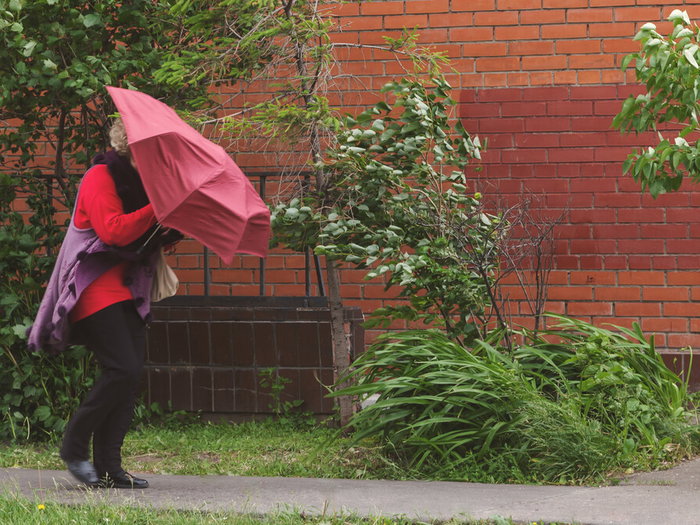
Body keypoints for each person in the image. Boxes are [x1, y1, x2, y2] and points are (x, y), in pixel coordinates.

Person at [28, 118, 180, 489]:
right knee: (122, 369)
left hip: (131, 288)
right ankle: (73, 447)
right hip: (94, 287)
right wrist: (159, 208)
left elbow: (143, 235)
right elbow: (113, 230)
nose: (159, 154)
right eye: (152, 146)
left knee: (129, 380)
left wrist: (172, 224)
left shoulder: (146, 185)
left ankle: (111, 468)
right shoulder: (100, 176)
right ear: (132, 145)